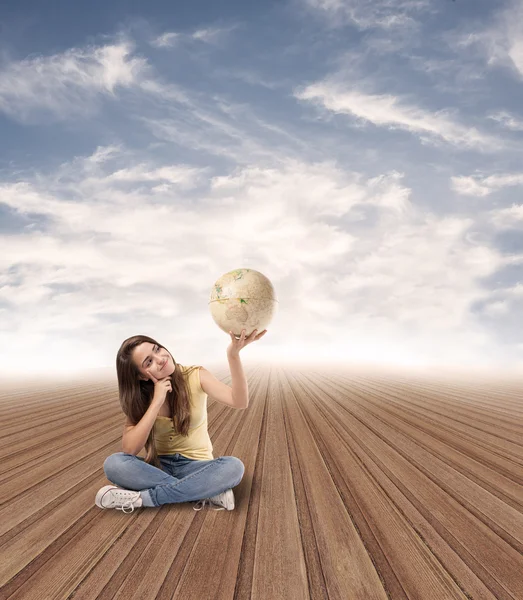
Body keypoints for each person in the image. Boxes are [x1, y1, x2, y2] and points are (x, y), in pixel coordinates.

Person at [95, 328, 267, 513]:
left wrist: (233, 354)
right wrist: (156, 402)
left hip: (198, 467)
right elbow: (130, 449)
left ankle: (142, 499)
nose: (160, 358)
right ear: (141, 376)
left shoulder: (195, 375)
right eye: (149, 362)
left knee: (233, 467)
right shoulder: (141, 398)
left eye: (157, 349)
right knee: (114, 464)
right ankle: (205, 492)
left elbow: (239, 401)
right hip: (157, 469)